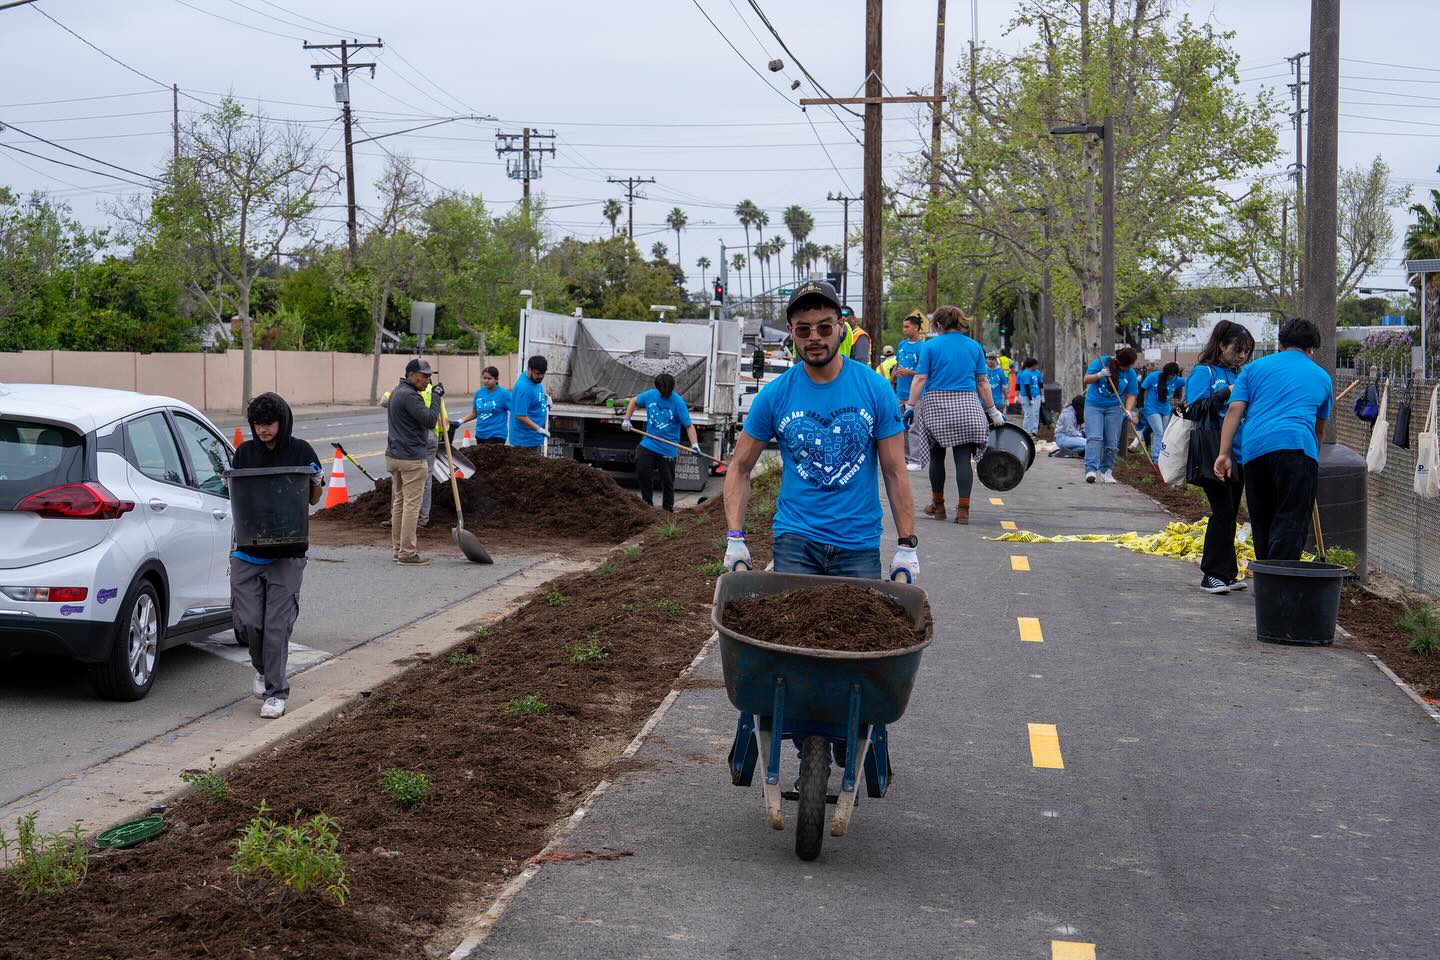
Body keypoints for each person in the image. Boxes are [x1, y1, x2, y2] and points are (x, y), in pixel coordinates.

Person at [722, 279, 917, 581]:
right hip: (796, 542)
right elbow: (740, 467)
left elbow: (895, 471)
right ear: (792, 332)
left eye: (824, 327)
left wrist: (906, 545)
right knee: (793, 627)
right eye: (803, 329)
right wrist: (735, 538)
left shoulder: (875, 388)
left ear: (841, 327)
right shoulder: (774, 396)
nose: (814, 338)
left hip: (858, 544)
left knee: (858, 629)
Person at [230, 393, 325, 719]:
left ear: (282, 422)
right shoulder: (244, 453)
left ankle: (276, 692)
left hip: (288, 552)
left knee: (276, 626)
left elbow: (314, 498)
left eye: (268, 424)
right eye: (257, 424)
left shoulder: (301, 451)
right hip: (248, 553)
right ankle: (263, 669)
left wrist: (315, 481)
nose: (262, 430)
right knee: (249, 624)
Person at [1215, 318, 1333, 565]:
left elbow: (1235, 410)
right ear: (1312, 348)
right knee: (1292, 517)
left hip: (1255, 451)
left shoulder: (1253, 369)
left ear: (1280, 344)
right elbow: (1319, 429)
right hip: (1298, 448)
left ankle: (1267, 582)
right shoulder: (1322, 377)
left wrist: (1224, 453)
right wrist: (1313, 459)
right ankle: (1280, 583)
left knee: (1263, 518)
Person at [907, 305, 1006, 525]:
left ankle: (938, 505)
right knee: (962, 459)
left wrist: (910, 406)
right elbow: (983, 382)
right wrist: (993, 411)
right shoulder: (974, 347)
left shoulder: (930, 346)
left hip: (936, 406)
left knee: (937, 457)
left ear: (939, 325)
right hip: (968, 405)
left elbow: (920, 379)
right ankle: (963, 510)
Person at [1186, 319, 1255, 594]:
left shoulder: (1240, 375)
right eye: (1237, 349)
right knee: (1223, 512)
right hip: (1212, 451)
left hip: (1238, 453)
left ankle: (1226, 572)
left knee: (1231, 513)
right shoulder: (1204, 372)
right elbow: (1193, 409)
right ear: (1221, 344)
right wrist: (1224, 393)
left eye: (1246, 351)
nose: (1241, 356)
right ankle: (1212, 573)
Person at [386, 358, 442, 565]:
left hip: (395, 456)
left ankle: (397, 549)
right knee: (411, 506)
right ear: (410, 374)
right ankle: (407, 552)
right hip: (411, 458)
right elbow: (429, 420)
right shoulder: (410, 396)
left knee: (399, 503)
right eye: (423, 375)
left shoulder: (396, 392)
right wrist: (436, 397)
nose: (427, 380)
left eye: (429, 376)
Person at [622, 372, 700, 512]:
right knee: (642, 471)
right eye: (661, 390)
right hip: (649, 443)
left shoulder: (678, 402)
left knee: (667, 481)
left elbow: (689, 425)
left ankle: (667, 510)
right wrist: (627, 419)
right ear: (657, 387)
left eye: (667, 391)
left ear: (671, 388)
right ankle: (647, 506)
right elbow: (634, 401)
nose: (664, 393)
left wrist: (695, 444)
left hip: (668, 447)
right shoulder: (650, 395)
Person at [1081, 346, 1141, 484]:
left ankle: (1106, 471)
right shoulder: (1101, 362)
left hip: (1115, 408)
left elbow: (1132, 393)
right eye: (1126, 366)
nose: (1127, 368)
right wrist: (1099, 375)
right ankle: (1091, 469)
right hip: (1094, 405)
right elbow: (1086, 379)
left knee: (1112, 442)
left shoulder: (1130, 374)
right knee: (1094, 437)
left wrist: (1128, 409)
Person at [893, 311, 926, 472]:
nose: (904, 330)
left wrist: (909, 372)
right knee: (901, 426)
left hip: (916, 395)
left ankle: (916, 459)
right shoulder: (901, 345)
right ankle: (904, 458)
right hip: (900, 392)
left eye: (907, 327)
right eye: (903, 327)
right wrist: (890, 381)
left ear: (916, 328)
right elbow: (897, 365)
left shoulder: (923, 347)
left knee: (914, 426)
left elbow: (925, 372)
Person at [1139, 362, 1185, 464]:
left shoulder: (1176, 380)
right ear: (1166, 372)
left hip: (1165, 409)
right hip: (1152, 408)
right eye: (1170, 374)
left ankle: (1162, 455)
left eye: (1174, 375)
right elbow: (1142, 389)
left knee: (1164, 433)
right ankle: (1156, 458)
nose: (1172, 376)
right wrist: (1141, 405)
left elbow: (1190, 382)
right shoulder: (1153, 376)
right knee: (1159, 431)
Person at [458, 365, 511, 444]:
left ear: (496, 379)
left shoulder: (504, 394)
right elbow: (474, 413)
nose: (486, 381)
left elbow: (516, 411)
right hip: (480, 435)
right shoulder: (479, 393)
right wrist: (460, 421)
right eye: (484, 378)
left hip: (497, 435)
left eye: (489, 378)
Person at [508, 355, 550, 451]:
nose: (540, 377)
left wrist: (544, 398)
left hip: (533, 437)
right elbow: (520, 415)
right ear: (529, 370)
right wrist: (539, 429)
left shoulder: (533, 380)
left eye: (543, 374)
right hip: (524, 441)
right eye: (538, 373)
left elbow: (533, 396)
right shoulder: (524, 388)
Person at [1016, 358, 1044, 436]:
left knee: (1033, 414)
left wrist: (1042, 395)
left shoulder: (1033, 373)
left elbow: (1040, 384)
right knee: (1028, 414)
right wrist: (1030, 398)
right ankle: (1026, 431)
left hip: (1034, 395)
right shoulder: (1026, 373)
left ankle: (1032, 430)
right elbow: (1026, 386)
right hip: (1027, 396)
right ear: (1033, 365)